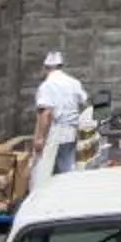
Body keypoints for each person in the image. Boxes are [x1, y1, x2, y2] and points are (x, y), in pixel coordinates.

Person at [33, 51, 89, 179]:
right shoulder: (74, 82)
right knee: (68, 163)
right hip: (72, 130)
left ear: (46, 68)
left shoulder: (46, 86)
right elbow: (84, 102)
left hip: (55, 131)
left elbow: (45, 113)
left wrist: (40, 138)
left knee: (45, 168)